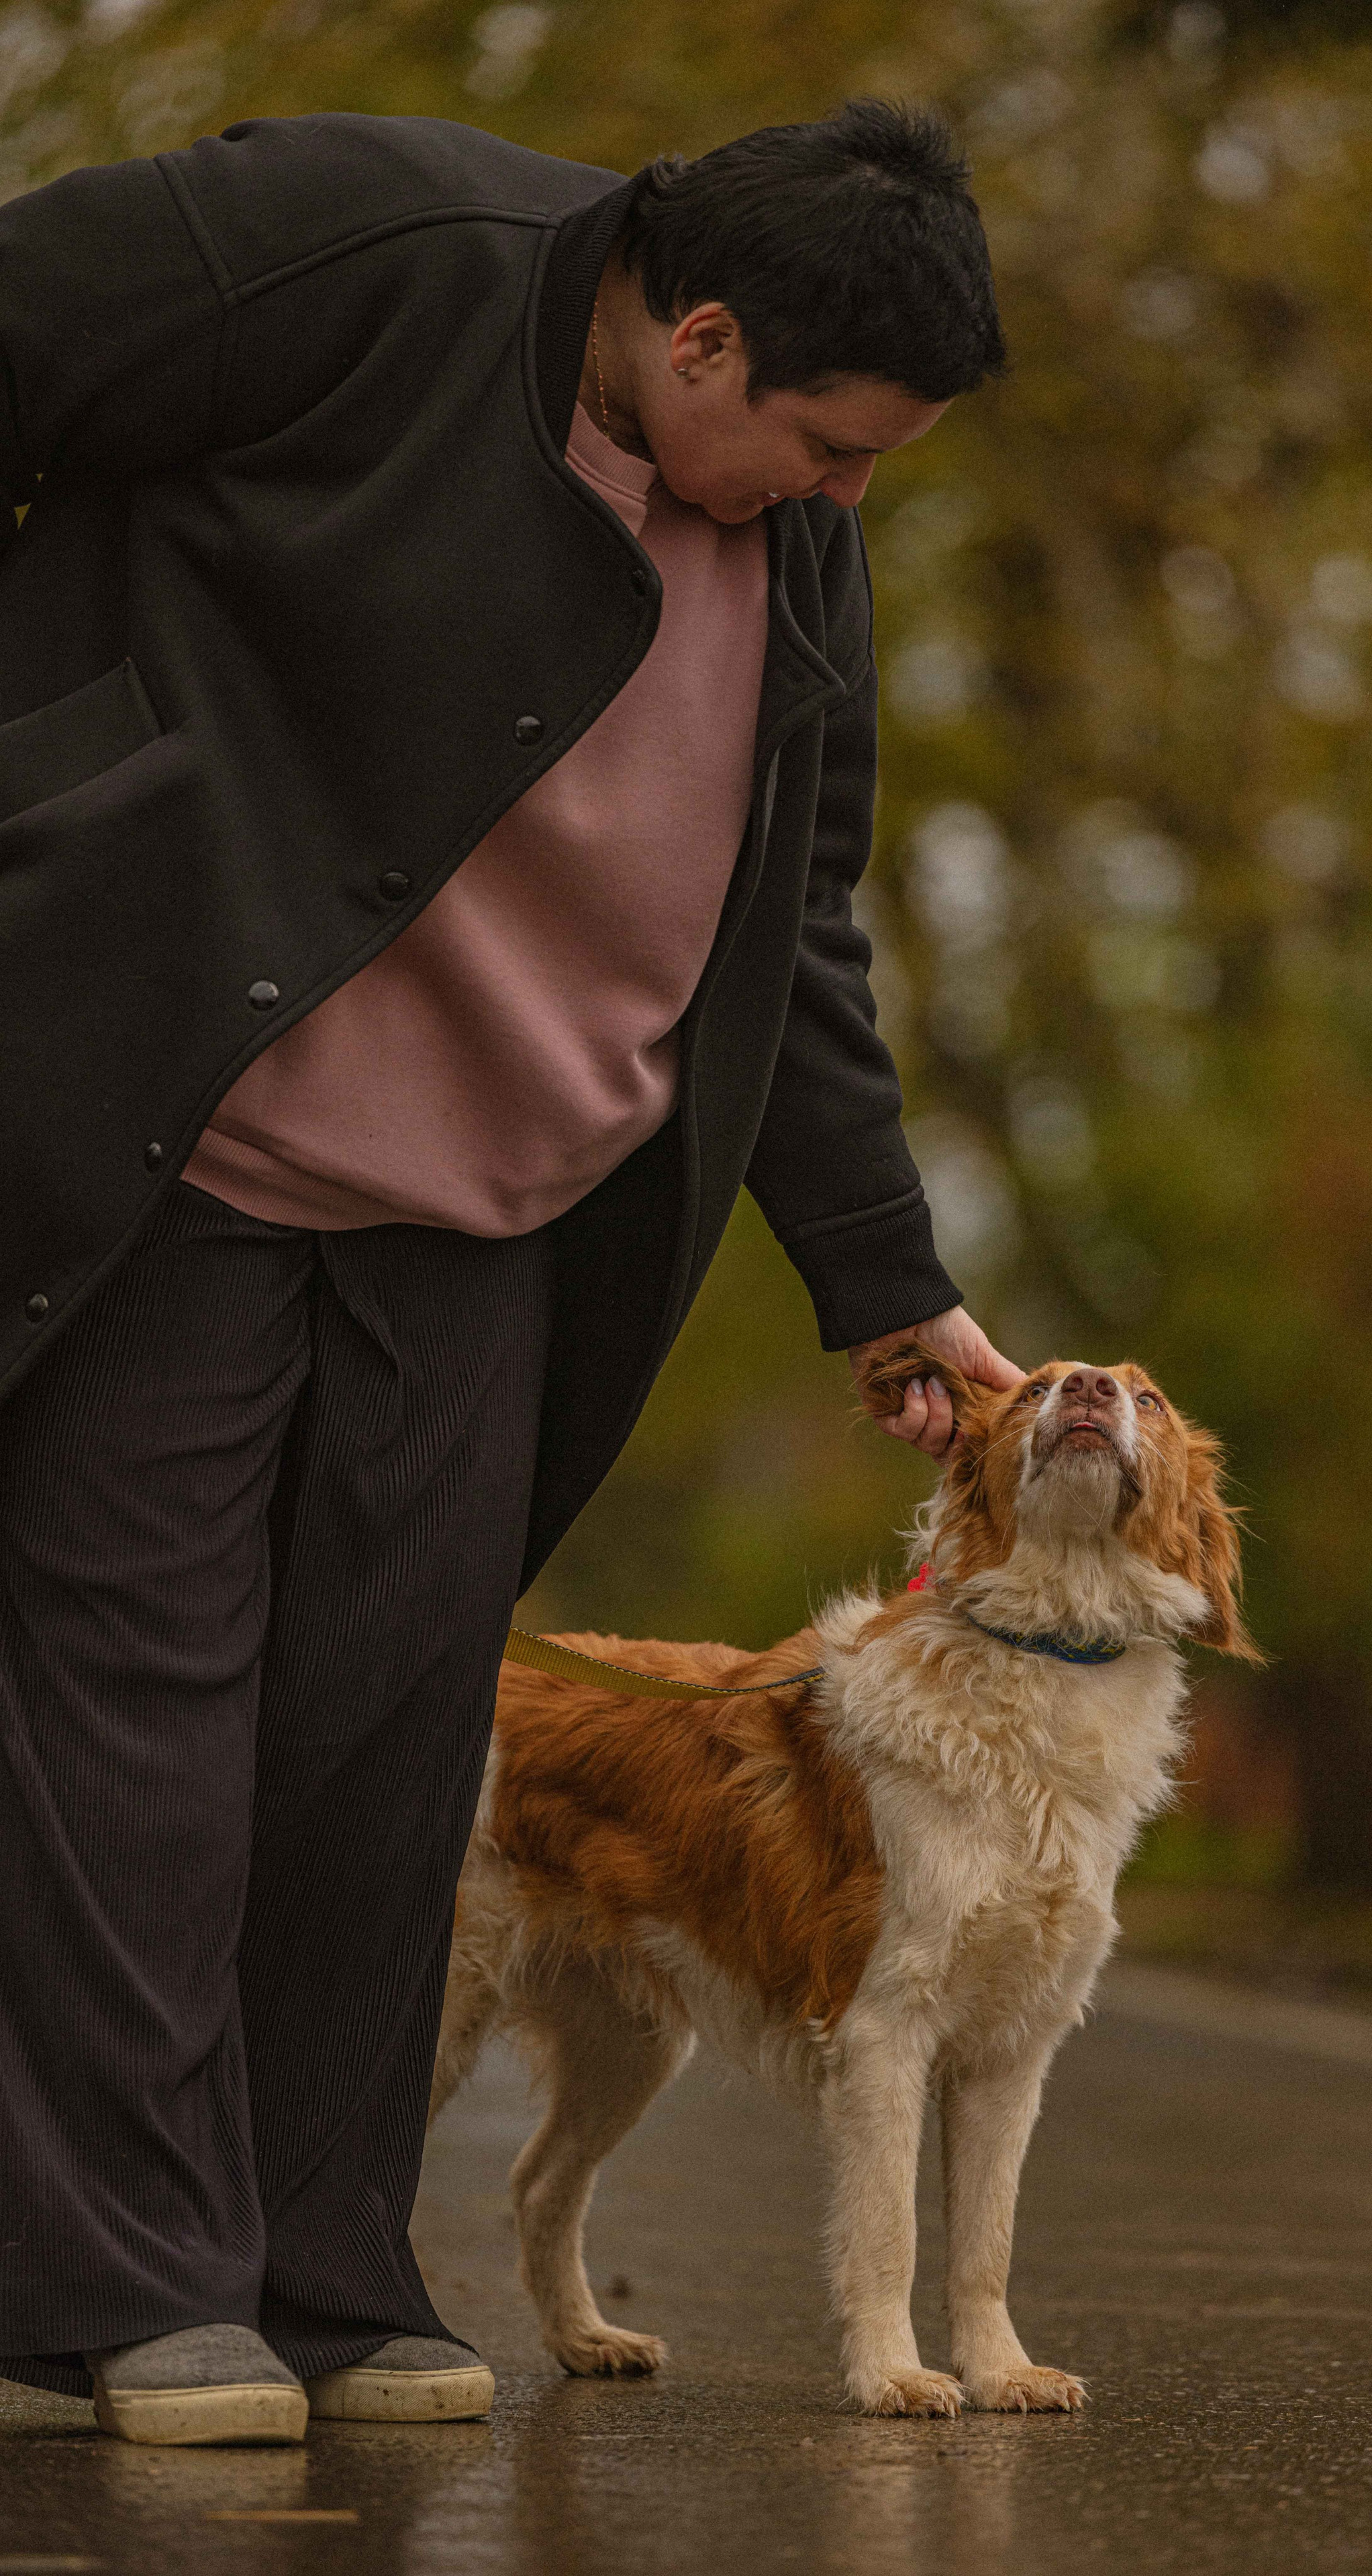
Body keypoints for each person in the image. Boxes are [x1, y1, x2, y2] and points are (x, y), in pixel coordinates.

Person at [0, 97, 1022, 2446]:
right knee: (136, 1719)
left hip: (494, 1208)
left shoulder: (800, 554)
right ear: (700, 336)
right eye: (832, 449)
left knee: (381, 1739)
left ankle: (321, 2275)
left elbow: (799, 941)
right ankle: (112, 2292)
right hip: (188, 1145)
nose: (848, 504)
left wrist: (884, 1273)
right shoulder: (357, 247)